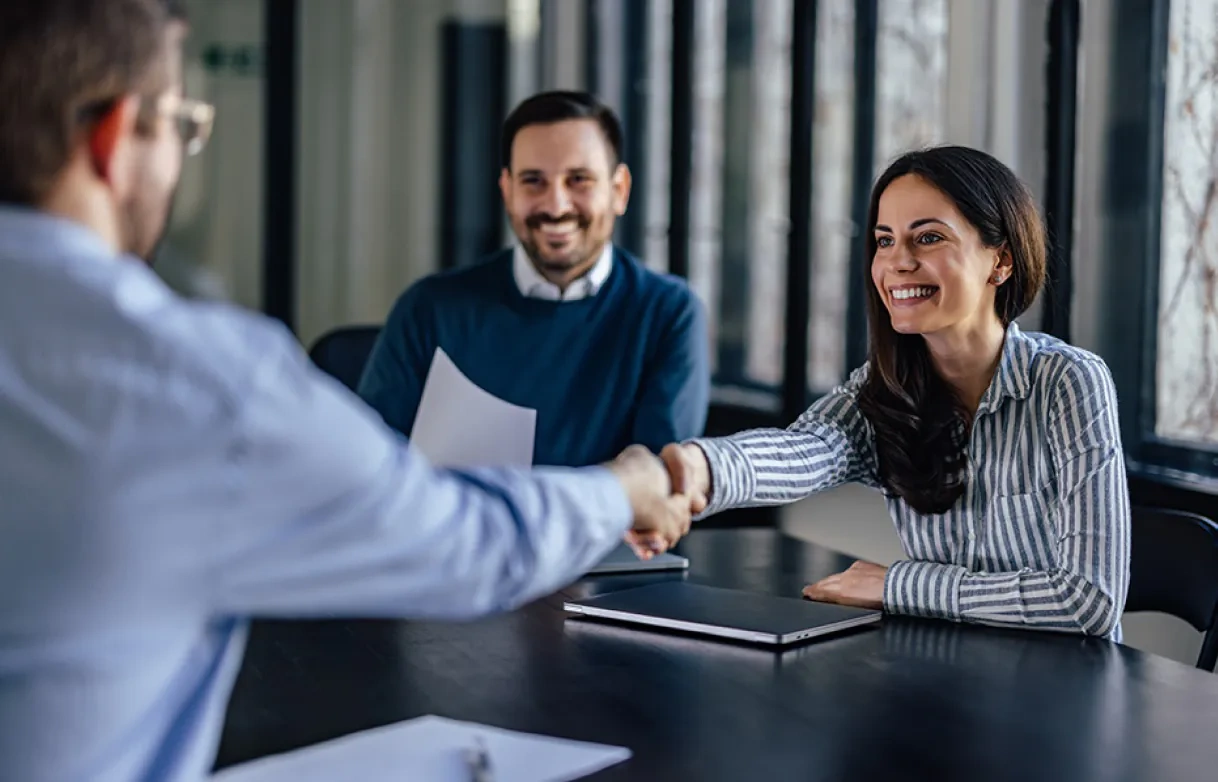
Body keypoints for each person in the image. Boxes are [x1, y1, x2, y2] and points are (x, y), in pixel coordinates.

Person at [0, 3, 690, 781]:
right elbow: (461, 543)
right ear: (116, 138)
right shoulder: (199, 384)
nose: (556, 203)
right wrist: (618, 487)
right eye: (183, 126)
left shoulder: (664, 309)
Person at [661, 146, 1131, 639]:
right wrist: (695, 470)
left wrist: (898, 586)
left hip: (1069, 692)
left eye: (928, 238)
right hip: (947, 673)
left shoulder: (1069, 381)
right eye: (885, 241)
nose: (897, 262)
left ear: (1001, 261)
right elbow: (802, 450)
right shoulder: (882, 387)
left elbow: (1088, 600)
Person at [358, 91, 711, 467]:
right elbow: (369, 470)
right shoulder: (429, 310)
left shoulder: (669, 314)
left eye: (579, 180)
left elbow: (659, 492)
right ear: (508, 192)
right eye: (533, 181)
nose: (556, 206)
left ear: (618, 191)